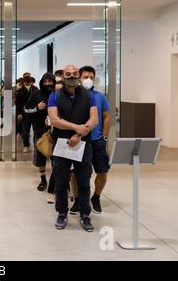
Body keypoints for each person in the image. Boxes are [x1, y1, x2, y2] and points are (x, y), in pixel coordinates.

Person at [47, 65, 98, 232]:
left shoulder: (88, 95)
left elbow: (94, 119)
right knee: (61, 182)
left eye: (74, 74)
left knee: (84, 182)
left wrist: (80, 134)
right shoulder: (55, 95)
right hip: (62, 144)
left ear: (79, 75)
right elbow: (54, 119)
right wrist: (76, 128)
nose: (71, 76)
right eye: (68, 74)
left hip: (83, 143)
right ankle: (62, 213)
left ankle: (85, 215)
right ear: (63, 76)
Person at [69, 66, 111, 215]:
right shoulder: (73, 96)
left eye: (91, 77)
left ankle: (96, 197)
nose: (88, 80)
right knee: (75, 172)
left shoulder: (100, 97)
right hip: (79, 140)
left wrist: (104, 136)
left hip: (97, 140)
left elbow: (106, 116)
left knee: (102, 171)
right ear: (79, 78)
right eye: (85, 77)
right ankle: (78, 199)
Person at [24, 73, 56, 198]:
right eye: (45, 81)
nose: (47, 84)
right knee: (40, 158)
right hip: (40, 131)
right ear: (42, 82)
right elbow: (26, 109)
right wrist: (37, 107)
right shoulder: (36, 94)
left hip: (57, 132)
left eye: (50, 81)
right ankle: (43, 180)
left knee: (57, 159)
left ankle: (56, 181)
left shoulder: (58, 94)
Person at [16, 75, 37, 153]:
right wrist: (19, 113)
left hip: (35, 113)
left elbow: (38, 101)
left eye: (28, 82)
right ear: (23, 82)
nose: (27, 83)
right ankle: (26, 145)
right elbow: (18, 103)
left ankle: (36, 146)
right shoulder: (20, 90)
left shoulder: (35, 89)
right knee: (25, 131)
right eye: (25, 82)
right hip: (24, 114)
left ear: (31, 82)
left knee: (36, 131)